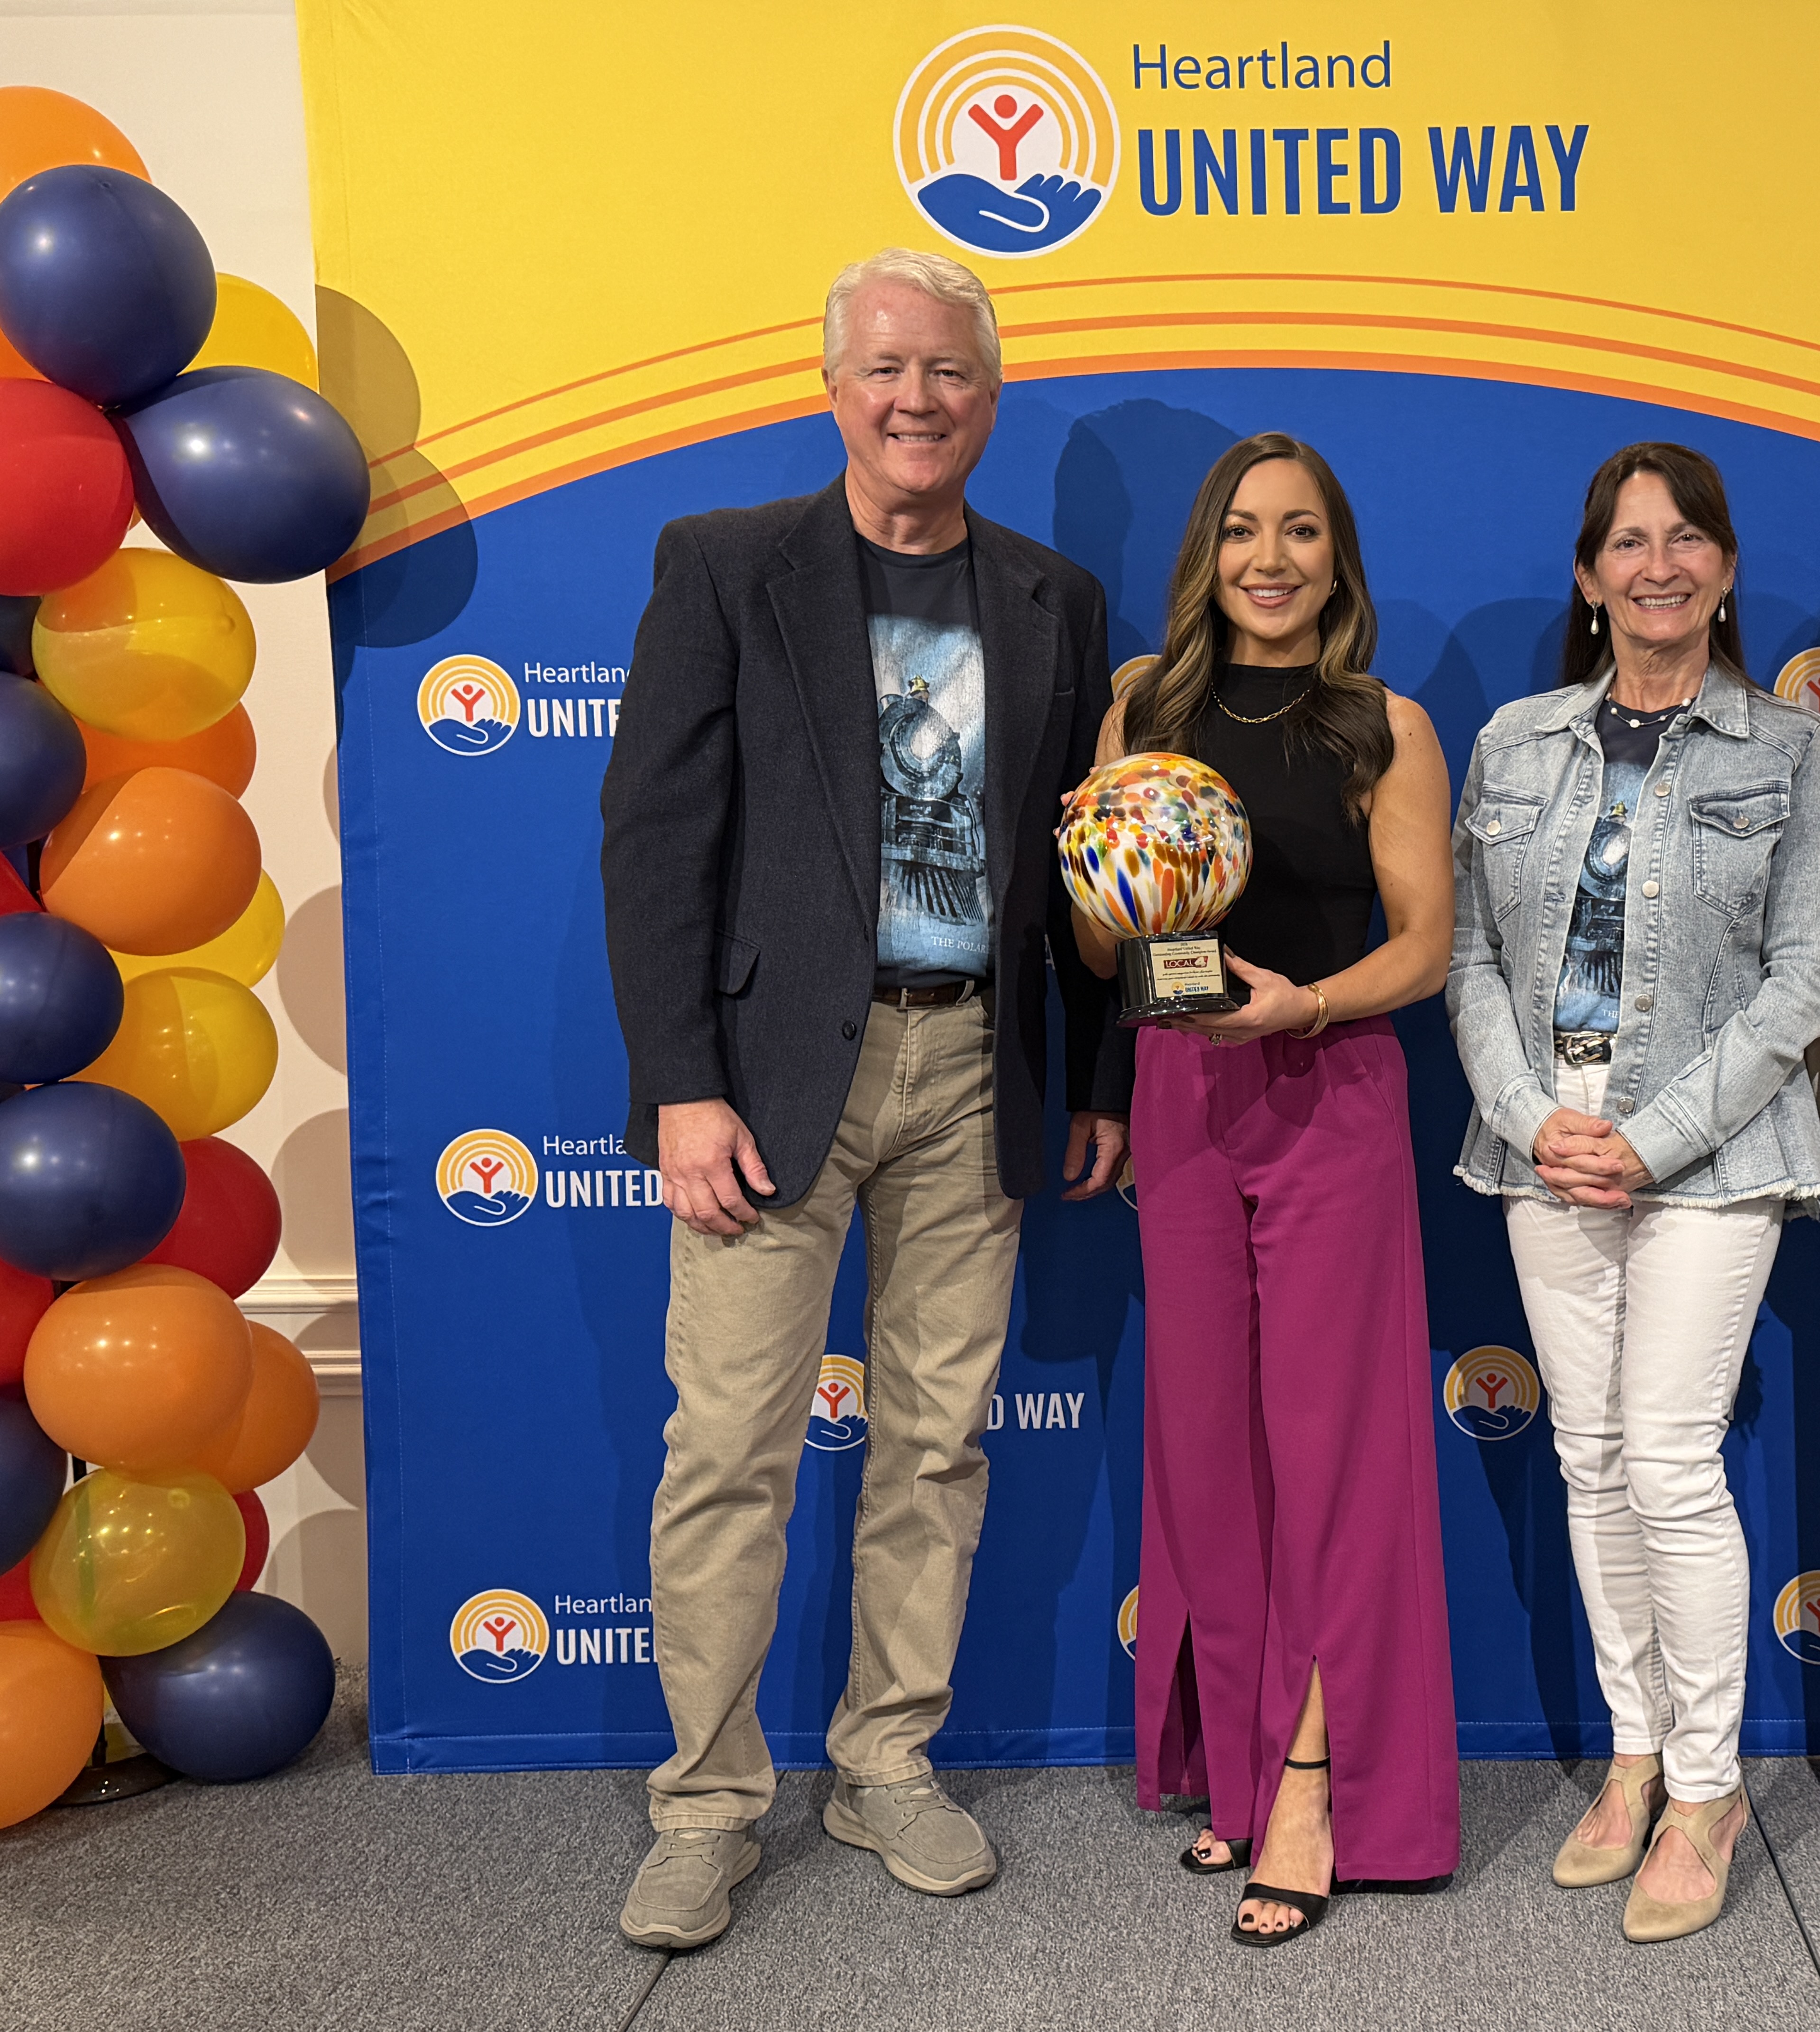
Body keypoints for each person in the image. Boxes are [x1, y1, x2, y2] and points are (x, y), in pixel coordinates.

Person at [597, 247, 1131, 1950]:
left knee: (937, 1441)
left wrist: (1095, 1071)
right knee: (727, 1449)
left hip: (976, 1065)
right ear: (833, 386)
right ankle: (705, 1802)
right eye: (887, 369)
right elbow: (655, 840)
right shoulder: (725, 565)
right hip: (766, 1087)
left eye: (950, 372)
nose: (918, 399)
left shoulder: (1053, 599)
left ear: (993, 397)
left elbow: (1085, 870)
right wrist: (682, 1084)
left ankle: (886, 1759)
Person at [1448, 443, 1820, 1943]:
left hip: (1712, 1152)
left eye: (1687, 539)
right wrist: (1531, 1114)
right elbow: (1473, 956)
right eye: (1629, 541)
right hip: (1545, 1142)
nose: (1658, 564)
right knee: (1592, 1458)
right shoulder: (1514, 741)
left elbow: (1808, 973)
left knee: (1674, 1463)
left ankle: (1707, 1787)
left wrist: (1657, 1133)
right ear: (1590, 574)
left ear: (1725, 571)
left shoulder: (1787, 749)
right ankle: (1634, 1757)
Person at [1072, 432, 1461, 1949]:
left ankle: (1314, 1780)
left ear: (1337, 559)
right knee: (1207, 1449)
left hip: (1329, 1087)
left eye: (1302, 531)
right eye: (1243, 530)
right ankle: (1234, 1756)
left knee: (1333, 1452)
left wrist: (1305, 1005)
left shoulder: (1383, 725)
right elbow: (1102, 947)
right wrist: (1108, 873)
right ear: (1208, 553)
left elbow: (1423, 943)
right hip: (1182, 1095)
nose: (1271, 558)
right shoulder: (1143, 711)